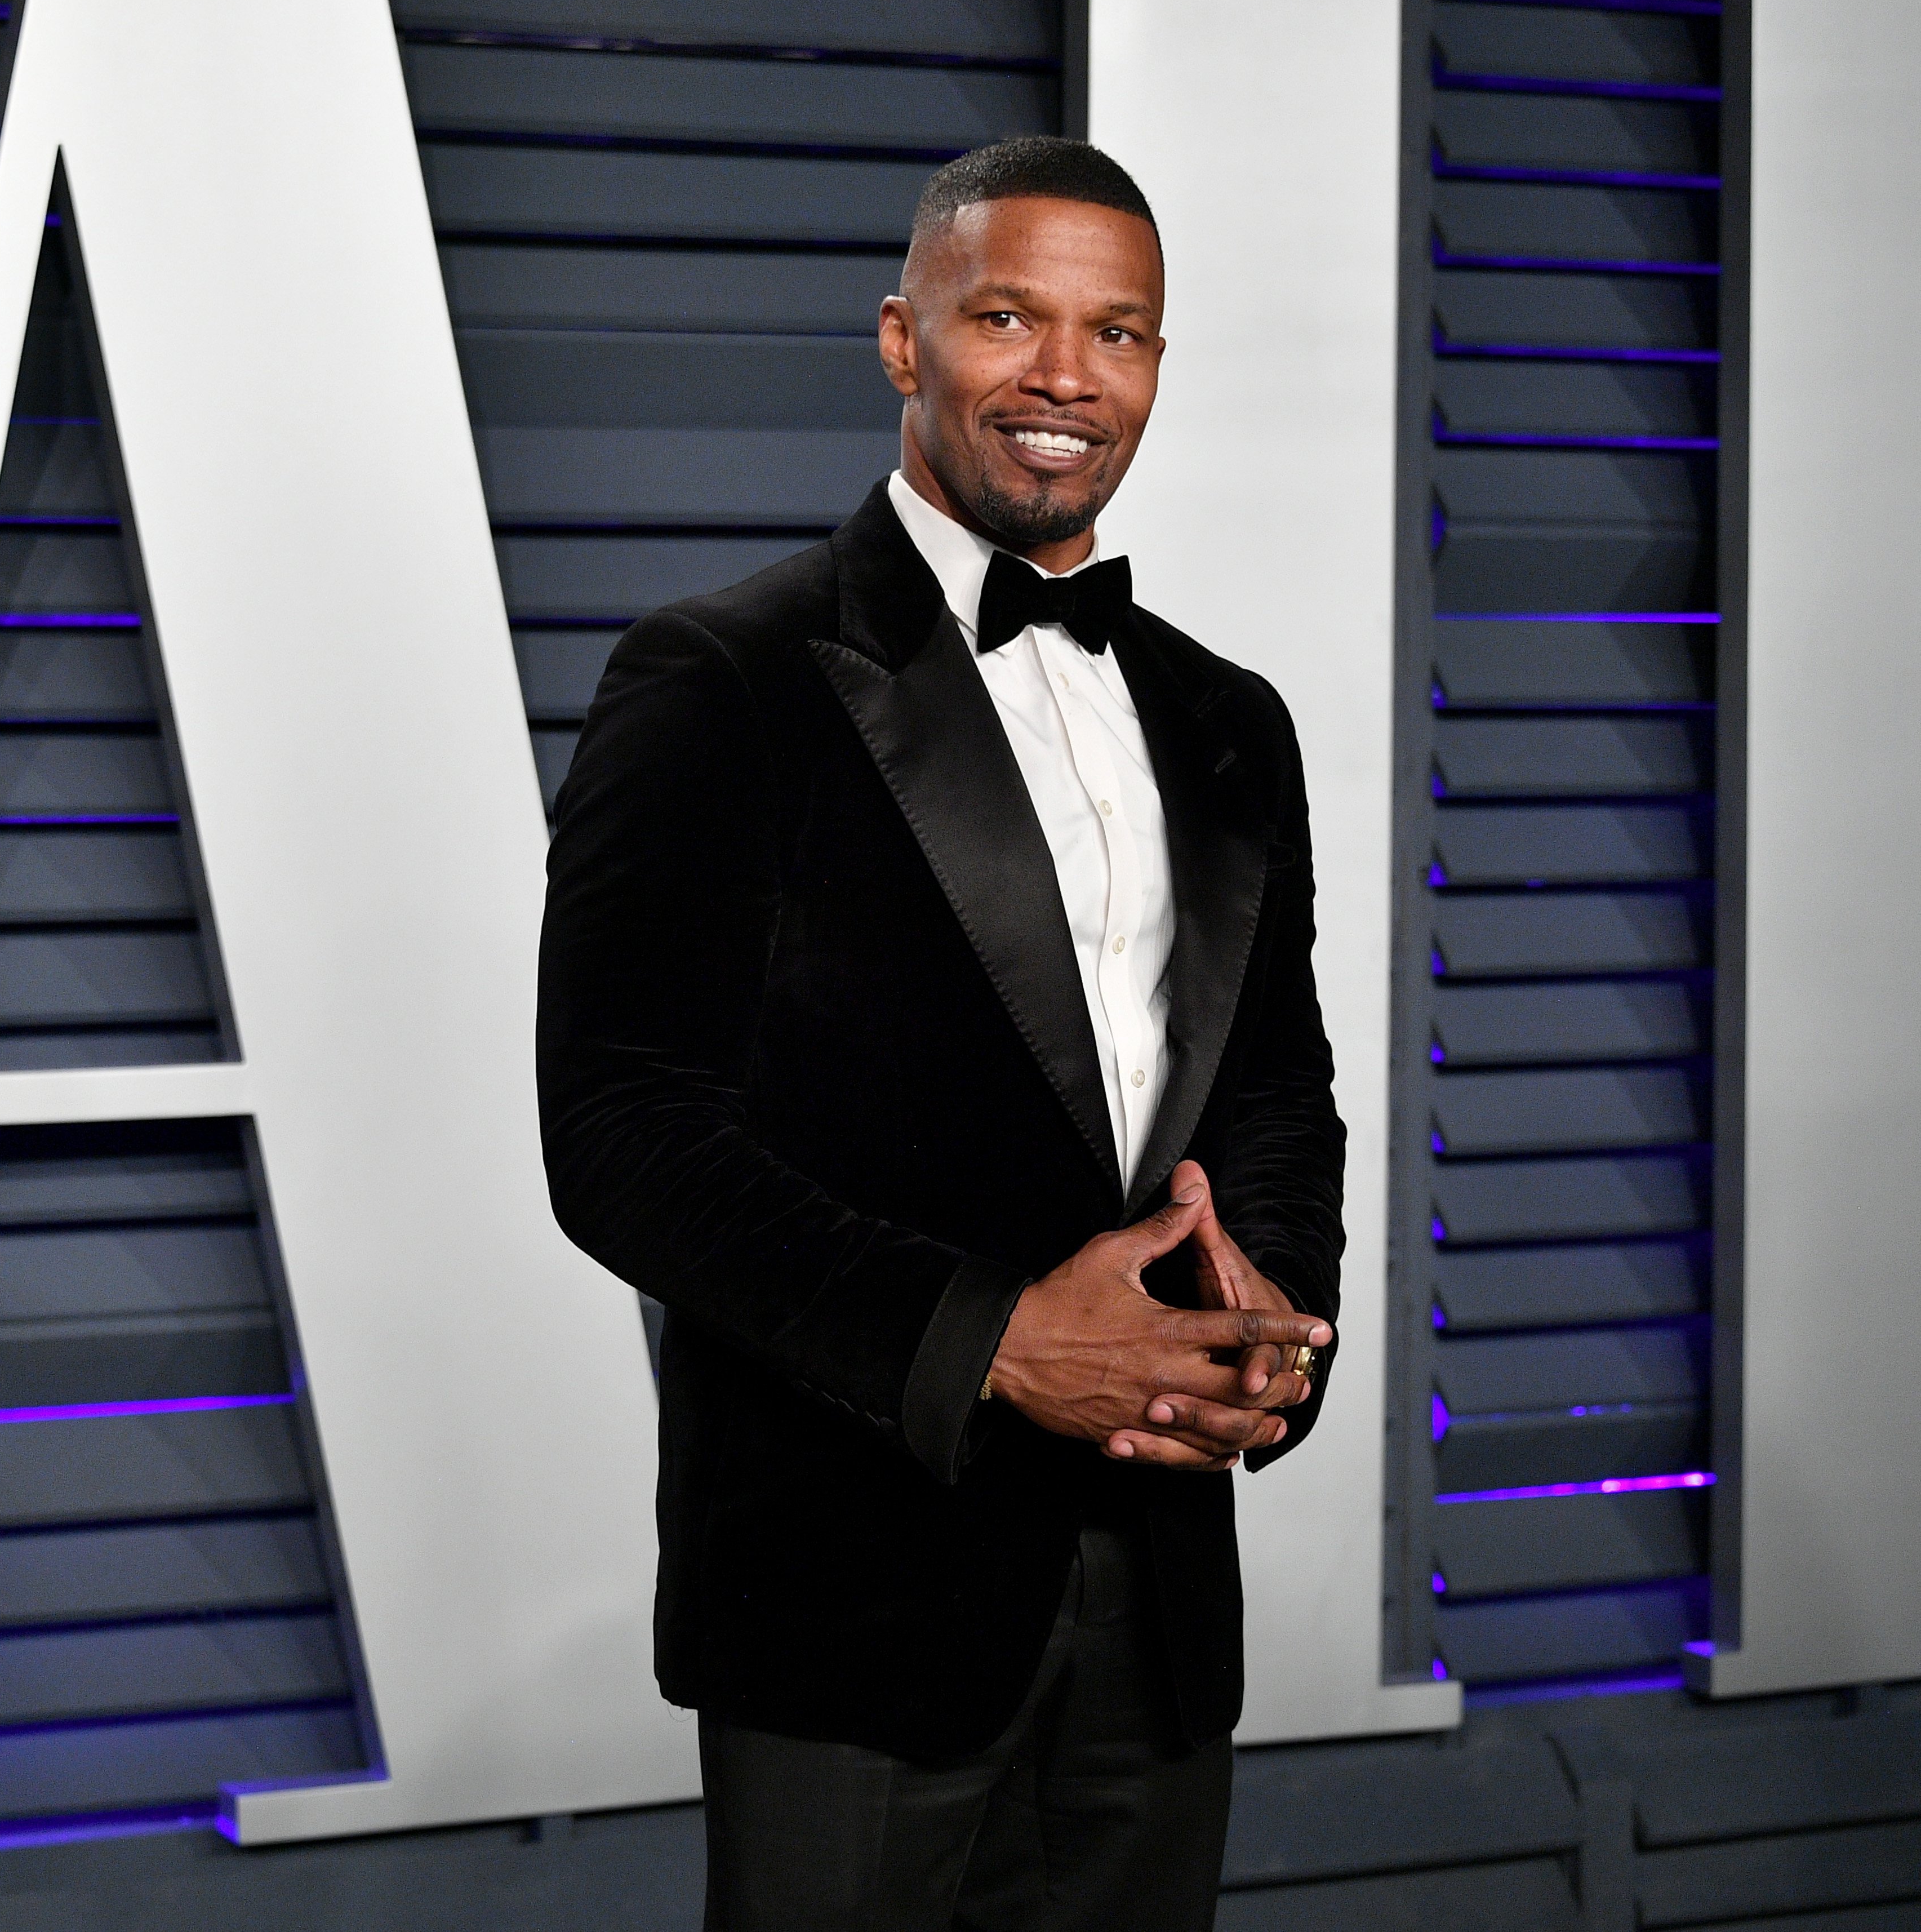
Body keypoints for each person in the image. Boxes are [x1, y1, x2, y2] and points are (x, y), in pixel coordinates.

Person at [537, 135, 1345, 1932]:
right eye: (1011, 318)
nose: (1069, 377)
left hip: (1160, 1585)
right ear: (903, 342)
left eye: (1118, 333)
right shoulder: (717, 677)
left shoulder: (1234, 718)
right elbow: (619, 1131)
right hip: (851, 1594)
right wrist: (987, 1340)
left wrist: (1270, 1320)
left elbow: (1274, 1079)